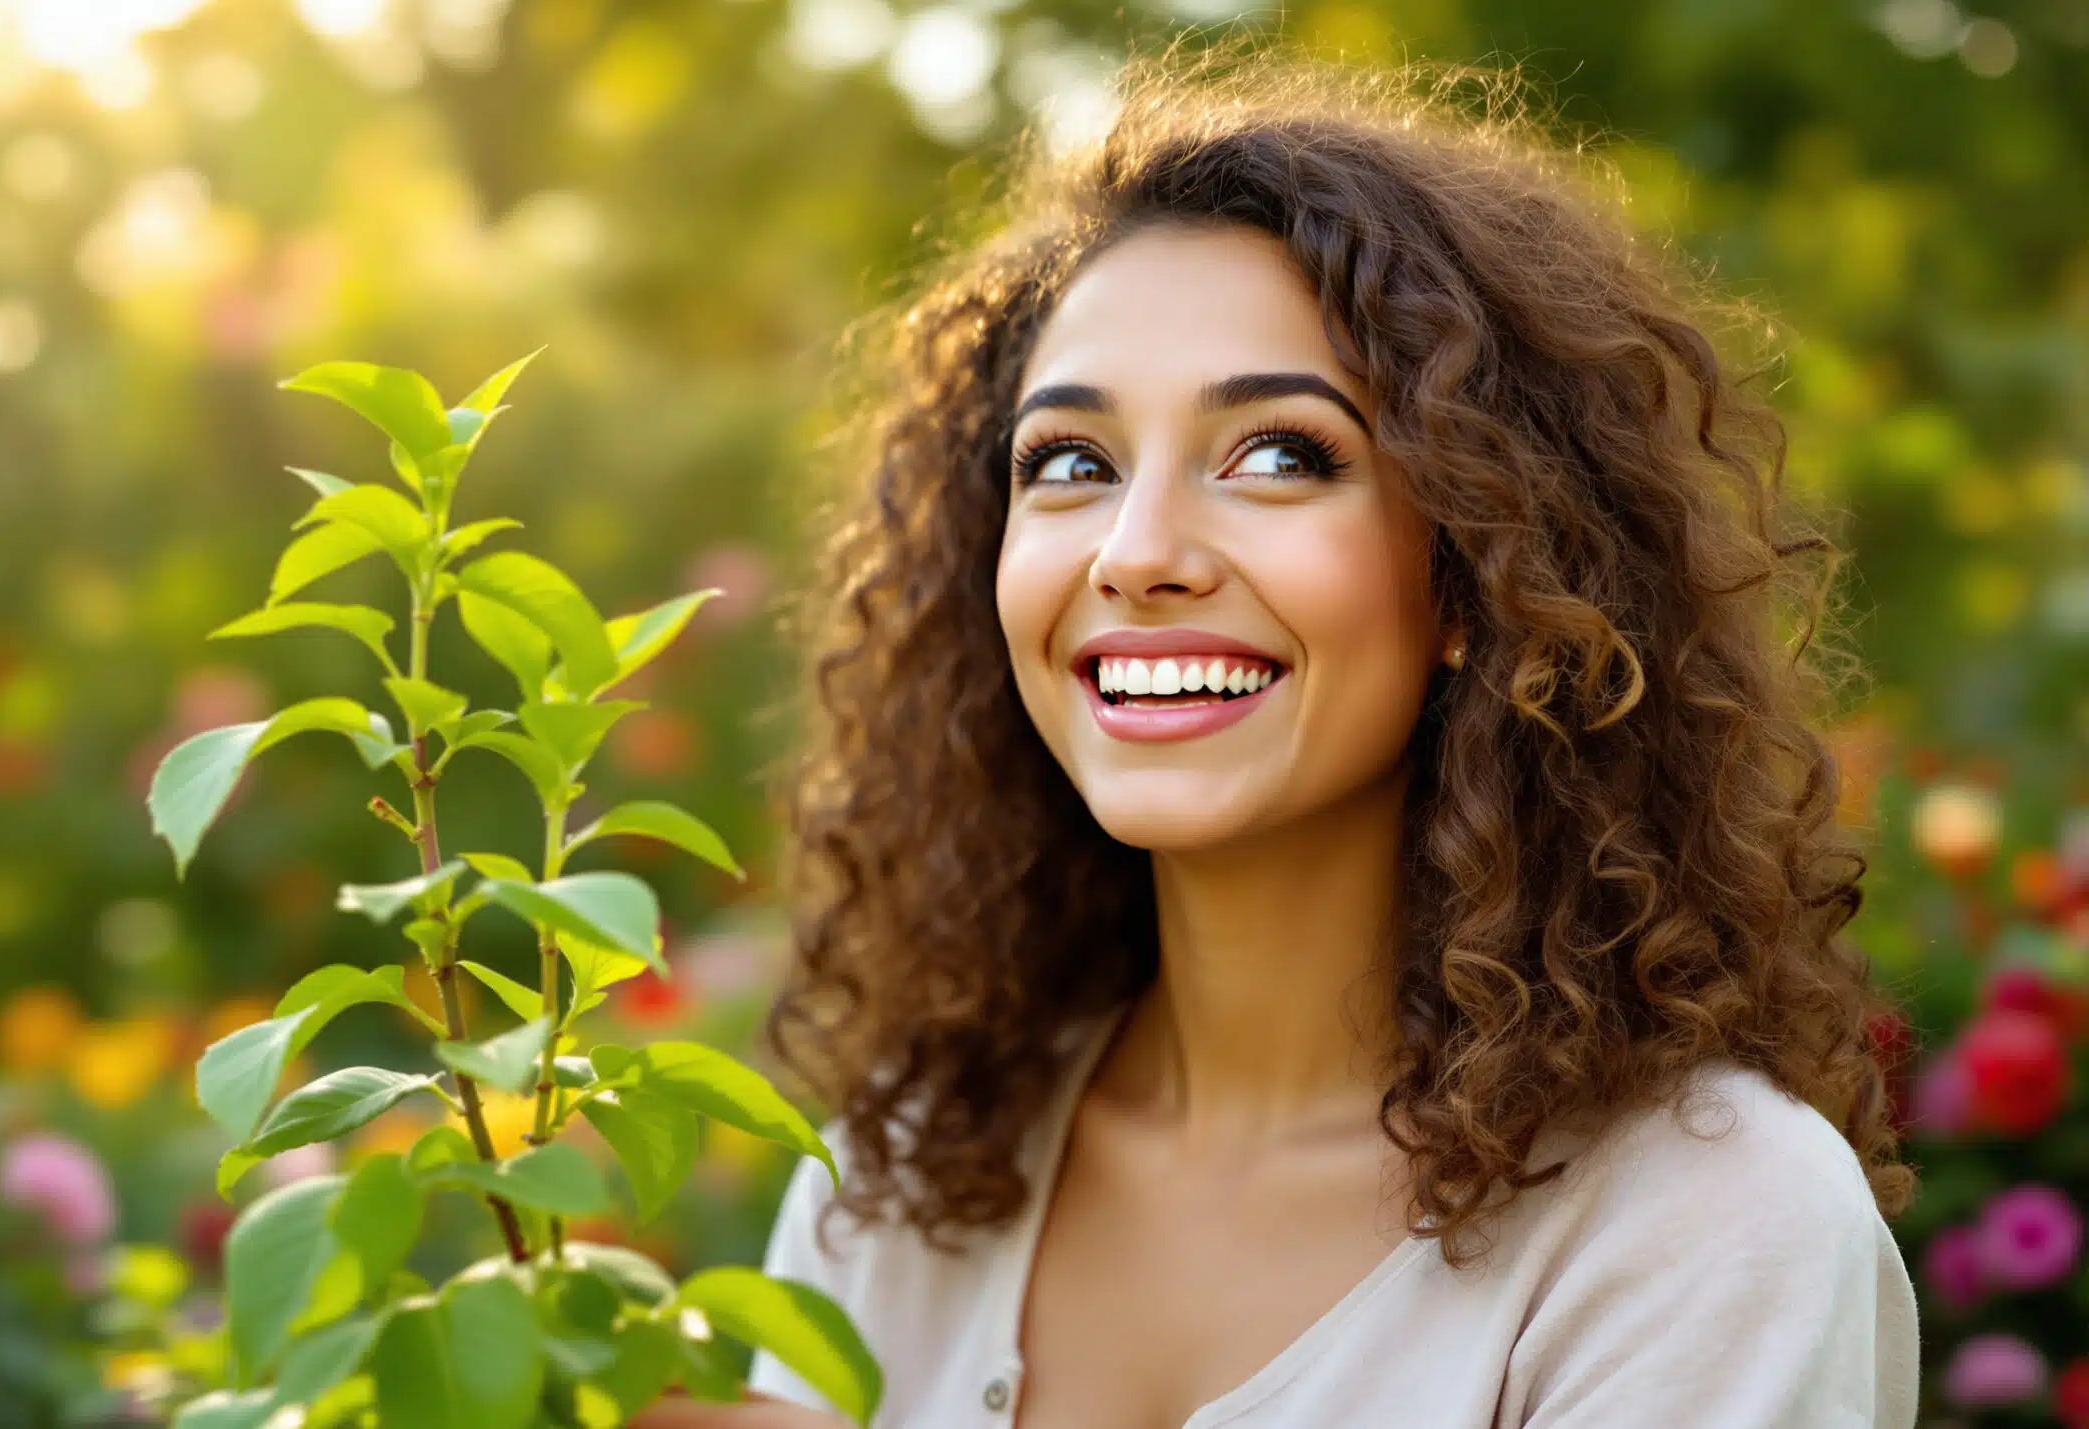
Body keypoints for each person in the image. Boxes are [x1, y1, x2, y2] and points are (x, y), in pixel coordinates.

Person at [633, 43, 1919, 1429]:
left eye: (1280, 455)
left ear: (1485, 568)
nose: (1136, 553)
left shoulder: (1706, 1230)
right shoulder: (901, 1178)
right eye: (1071, 464)